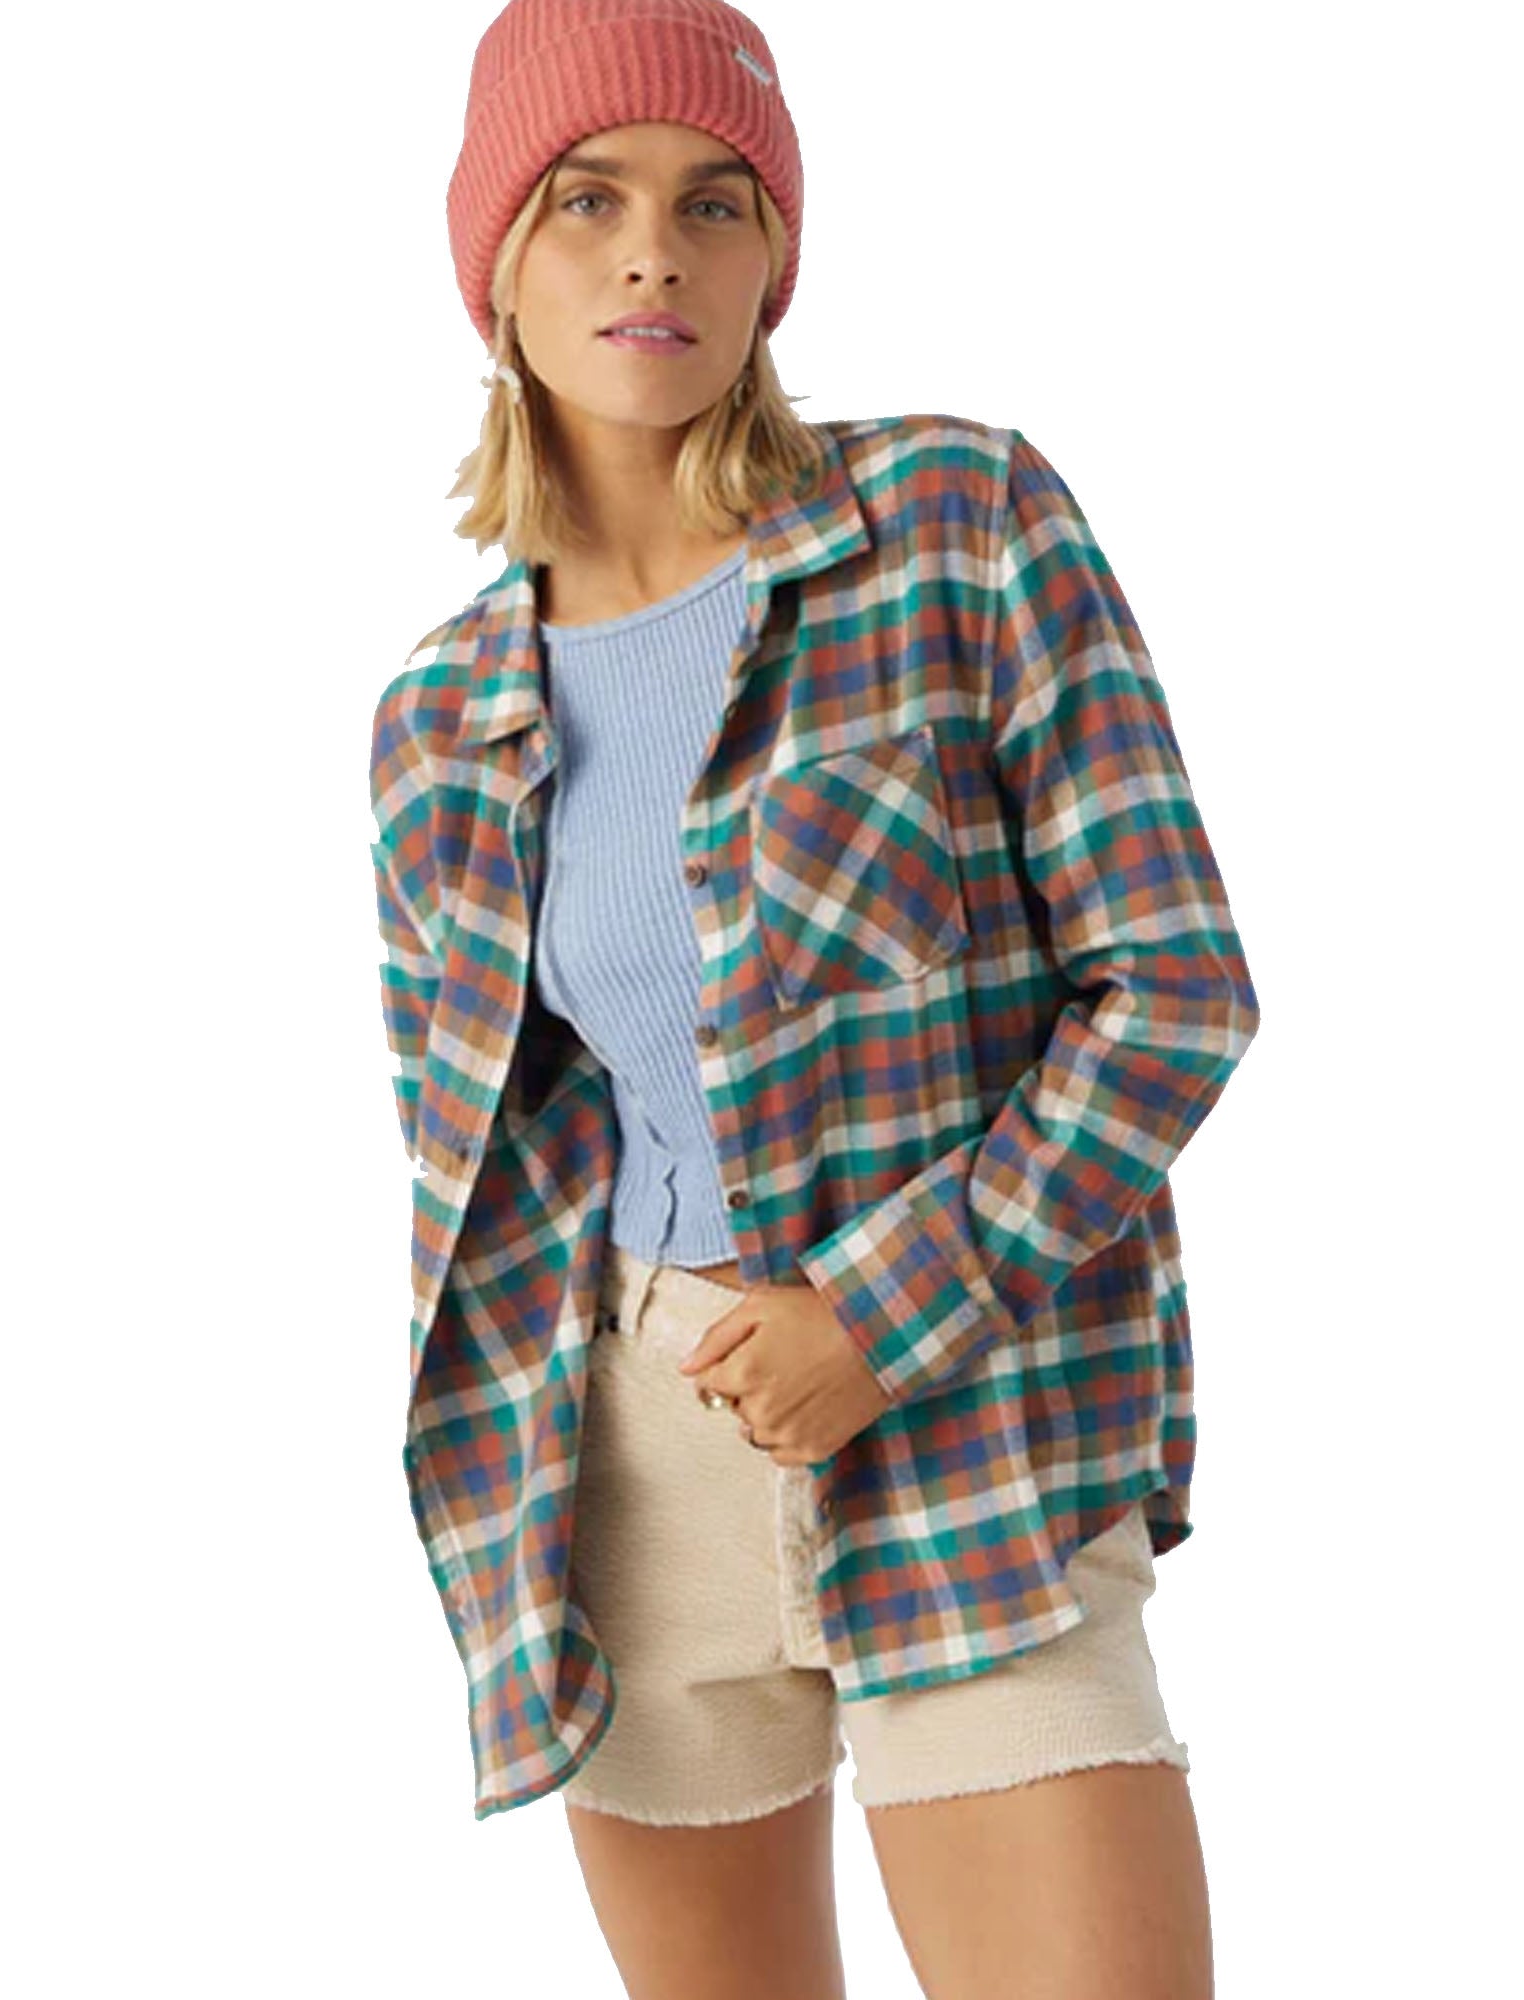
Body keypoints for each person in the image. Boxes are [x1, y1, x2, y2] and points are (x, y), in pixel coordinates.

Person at [368, 3, 1259, 1993]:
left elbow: (1174, 989)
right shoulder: (437, 717)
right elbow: (481, 1169)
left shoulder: (956, 521)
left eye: (715, 203)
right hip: (628, 1456)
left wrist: (883, 1310)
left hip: (968, 1413)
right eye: (585, 201)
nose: (651, 255)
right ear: (494, 260)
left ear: (775, 257)